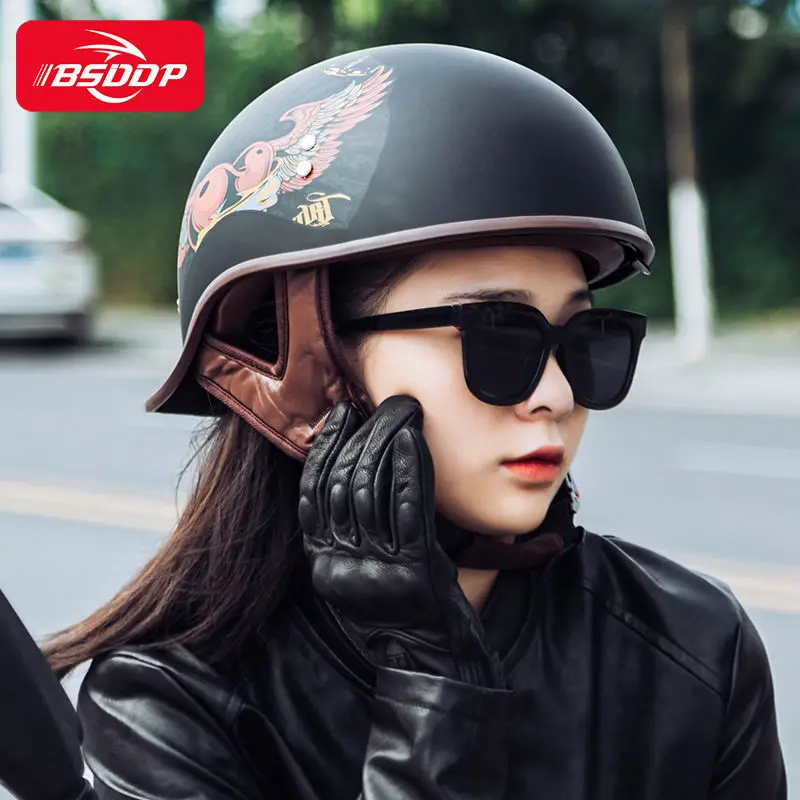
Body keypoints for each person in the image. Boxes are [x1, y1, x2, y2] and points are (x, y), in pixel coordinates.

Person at [39, 43, 786, 799]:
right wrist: (434, 687)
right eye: (498, 335)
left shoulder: (696, 649)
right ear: (310, 372)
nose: (557, 394)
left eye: (586, 340)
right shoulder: (168, 705)